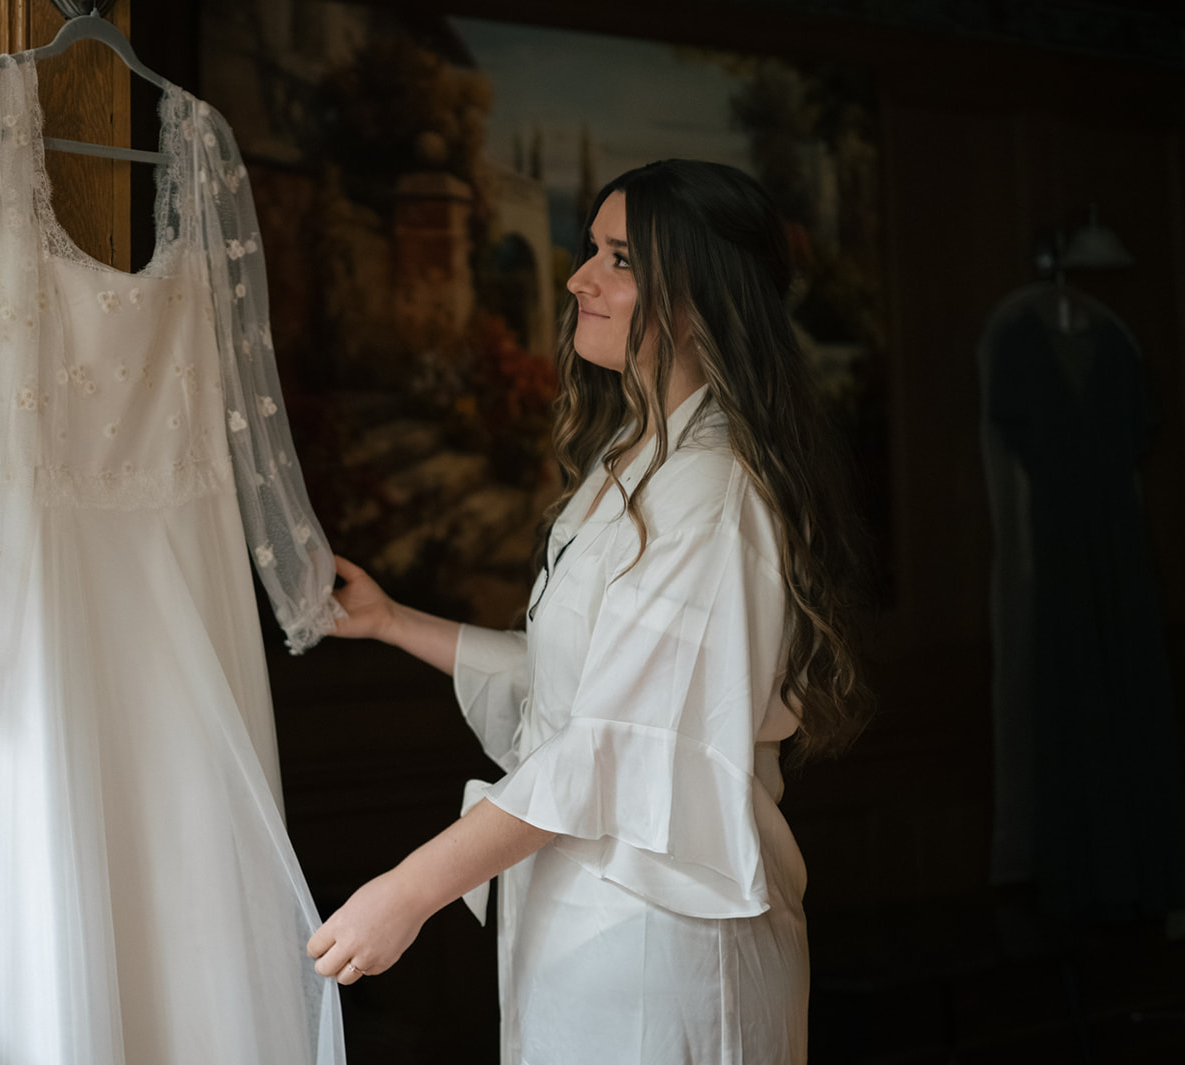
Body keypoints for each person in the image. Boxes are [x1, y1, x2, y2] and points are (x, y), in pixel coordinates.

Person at [305, 160, 872, 1064]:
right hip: (581, 921)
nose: (579, 278)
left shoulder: (711, 491)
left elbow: (613, 739)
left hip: (659, 940)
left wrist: (407, 890)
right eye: (590, 251)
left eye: (618, 258)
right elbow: (581, 686)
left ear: (696, 296)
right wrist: (391, 621)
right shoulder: (633, 455)